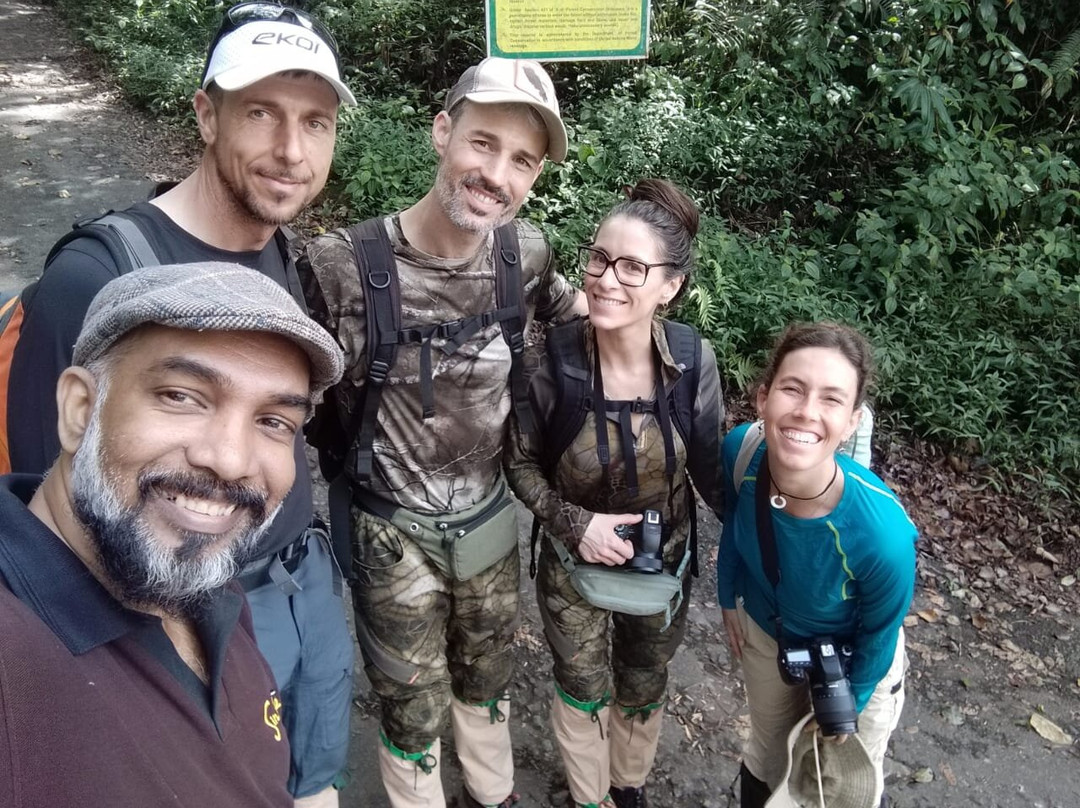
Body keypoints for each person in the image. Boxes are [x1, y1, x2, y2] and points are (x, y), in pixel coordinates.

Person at [4, 5, 357, 806]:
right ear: (205, 114)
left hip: (299, 589)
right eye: (261, 112)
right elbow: (46, 539)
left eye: (316, 122)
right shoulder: (94, 279)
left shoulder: (279, 246)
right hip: (188, 619)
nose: (291, 151)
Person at [299, 57, 588, 808]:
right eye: (482, 143)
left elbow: (583, 335)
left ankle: (493, 796)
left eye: (522, 160)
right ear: (441, 132)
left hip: (490, 517)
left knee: (488, 678)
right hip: (388, 530)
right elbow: (279, 403)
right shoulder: (341, 270)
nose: (496, 173)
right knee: (409, 701)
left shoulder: (523, 256)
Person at [0, 262, 345, 807]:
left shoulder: (198, 578)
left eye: (274, 421)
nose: (230, 461)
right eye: (183, 396)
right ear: (79, 410)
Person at [504, 179, 725, 808]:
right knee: (582, 682)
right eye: (598, 259)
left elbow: (710, 469)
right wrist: (576, 524)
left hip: (666, 562)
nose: (605, 279)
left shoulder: (691, 361)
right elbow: (518, 466)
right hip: (573, 566)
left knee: (643, 678)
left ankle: (626, 787)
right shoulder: (554, 363)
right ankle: (588, 795)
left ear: (670, 286)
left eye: (633, 267)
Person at [715, 323, 917, 808]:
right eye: (792, 389)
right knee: (767, 759)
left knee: (840, 787)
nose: (806, 411)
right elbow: (735, 525)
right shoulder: (741, 453)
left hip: (854, 655)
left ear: (851, 421)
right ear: (763, 398)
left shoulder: (882, 534)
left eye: (831, 399)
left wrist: (849, 710)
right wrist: (727, 597)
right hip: (769, 630)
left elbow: (880, 632)